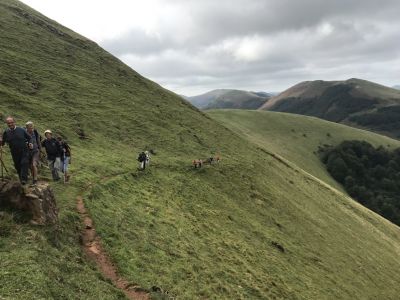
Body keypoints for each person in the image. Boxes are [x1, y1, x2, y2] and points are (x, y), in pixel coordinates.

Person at [0, 116, 32, 184]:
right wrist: (1, 142)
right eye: (8, 123)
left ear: (14, 122)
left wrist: (30, 143)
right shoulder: (6, 132)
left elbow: (29, 137)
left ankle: (24, 179)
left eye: (11, 122)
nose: (10, 124)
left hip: (24, 150)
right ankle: (21, 181)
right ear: (7, 124)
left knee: (24, 163)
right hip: (14, 152)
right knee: (18, 166)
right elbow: (2, 143)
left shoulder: (21, 130)